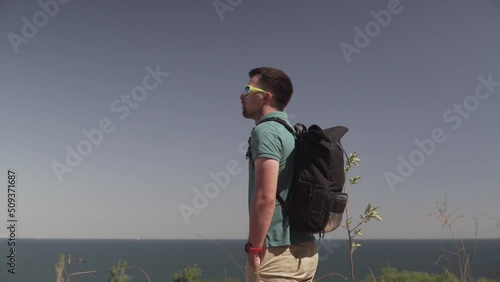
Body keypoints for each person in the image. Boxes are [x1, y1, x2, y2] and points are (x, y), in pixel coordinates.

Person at [240, 67, 318, 281]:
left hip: (275, 255)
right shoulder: (292, 133)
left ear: (266, 97)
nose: (242, 95)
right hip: (306, 252)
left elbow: (266, 198)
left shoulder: (265, 132)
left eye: (247, 89)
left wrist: (254, 248)